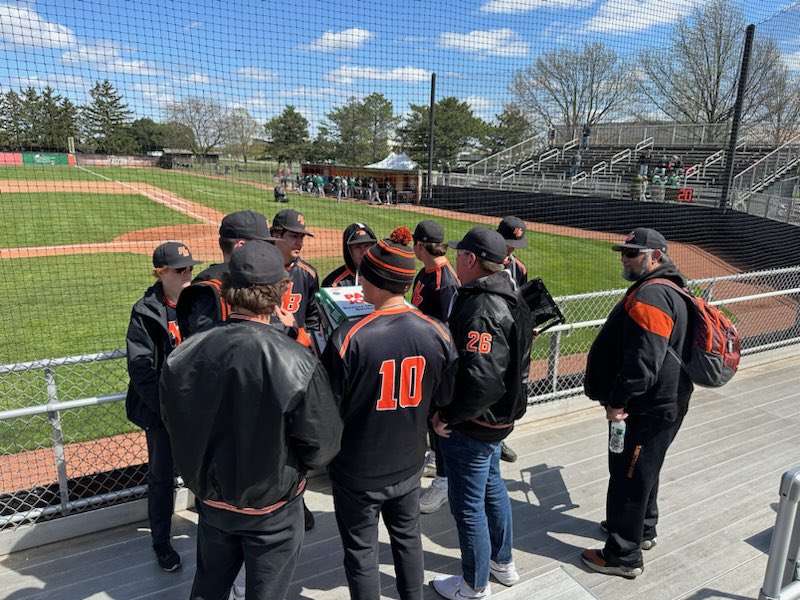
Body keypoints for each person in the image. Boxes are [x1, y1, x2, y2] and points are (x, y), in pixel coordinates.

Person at [160, 240, 343, 600]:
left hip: (212, 505)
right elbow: (323, 446)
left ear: (228, 288)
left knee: (209, 587)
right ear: (282, 291)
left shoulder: (184, 353)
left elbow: (174, 424)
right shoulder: (298, 360)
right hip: (273, 509)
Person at [322, 227, 458, 600]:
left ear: (376, 280)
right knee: (408, 540)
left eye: (364, 273)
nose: (359, 279)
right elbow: (445, 398)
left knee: (362, 552)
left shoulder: (348, 337)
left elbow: (327, 412)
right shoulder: (438, 332)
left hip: (358, 468)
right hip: (410, 461)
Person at [581, 228, 693, 579]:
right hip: (663, 403)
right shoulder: (668, 287)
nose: (624, 258)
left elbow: (642, 366)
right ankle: (642, 528)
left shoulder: (653, 296)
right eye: (624, 252)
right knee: (644, 470)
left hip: (644, 407)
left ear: (655, 256)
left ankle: (623, 555)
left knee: (628, 476)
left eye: (632, 253)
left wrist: (616, 403)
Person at [431, 227, 534, 600]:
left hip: (476, 422)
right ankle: (502, 564)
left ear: (472, 260)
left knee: (467, 506)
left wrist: (449, 416)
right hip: (499, 420)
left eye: (460, 254)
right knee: (493, 488)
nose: (455, 258)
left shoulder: (481, 306)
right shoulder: (510, 294)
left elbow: (482, 380)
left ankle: (474, 585)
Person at [125, 241, 203, 572]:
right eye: (180, 270)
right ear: (161, 273)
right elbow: (141, 368)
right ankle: (161, 542)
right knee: (161, 478)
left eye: (190, 268)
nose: (188, 274)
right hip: (162, 413)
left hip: (200, 408)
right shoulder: (146, 311)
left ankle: (212, 529)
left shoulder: (201, 302)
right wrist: (165, 413)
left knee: (207, 470)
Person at [410, 220, 461, 514]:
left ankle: (444, 482)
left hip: (439, 365)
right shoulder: (426, 272)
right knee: (431, 421)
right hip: (426, 358)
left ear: (419, 245)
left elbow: (448, 332)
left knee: (439, 422)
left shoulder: (446, 281)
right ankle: (436, 461)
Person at [176, 210, 277, 339]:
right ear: (241, 246)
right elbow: (202, 344)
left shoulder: (261, 281)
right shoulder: (209, 288)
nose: (268, 251)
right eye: (262, 245)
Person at [271, 208, 321, 348]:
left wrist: (305, 341)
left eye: (301, 237)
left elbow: (313, 318)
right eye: (294, 236)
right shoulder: (259, 270)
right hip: (265, 344)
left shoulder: (309, 274)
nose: (299, 242)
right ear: (276, 234)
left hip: (296, 347)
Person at [322, 223, 378, 288]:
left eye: (366, 246)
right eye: (358, 247)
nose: (363, 252)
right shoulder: (334, 284)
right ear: (349, 251)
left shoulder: (385, 276)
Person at [497, 216, 528, 291]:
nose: (512, 247)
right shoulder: (482, 260)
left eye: (515, 244)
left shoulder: (520, 269)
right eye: (508, 243)